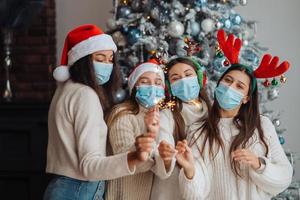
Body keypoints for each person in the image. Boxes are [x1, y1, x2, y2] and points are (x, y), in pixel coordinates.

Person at [177, 30, 293, 200]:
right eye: (228, 81)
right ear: (219, 84)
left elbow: (284, 177)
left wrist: (258, 164)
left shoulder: (262, 126)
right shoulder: (198, 131)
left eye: (239, 86)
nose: (230, 87)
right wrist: (189, 170)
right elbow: (194, 194)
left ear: (246, 98)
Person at [44, 24, 155, 200]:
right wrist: (134, 157)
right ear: (83, 60)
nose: (107, 65)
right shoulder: (85, 95)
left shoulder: (66, 89)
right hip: (79, 189)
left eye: (110, 59)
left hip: (62, 186)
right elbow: (89, 166)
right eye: (100, 58)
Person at [105, 60, 176, 200]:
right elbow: (126, 159)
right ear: (134, 87)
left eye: (157, 83)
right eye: (144, 82)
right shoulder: (122, 113)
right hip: (122, 194)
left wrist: (166, 159)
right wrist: (150, 134)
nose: (152, 87)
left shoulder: (164, 117)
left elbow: (161, 168)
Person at [150, 57, 211, 200]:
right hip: (170, 192)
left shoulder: (214, 114)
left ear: (199, 78)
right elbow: (163, 145)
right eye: (175, 78)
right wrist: (167, 154)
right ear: (170, 87)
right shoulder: (167, 115)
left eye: (188, 75)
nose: (183, 81)